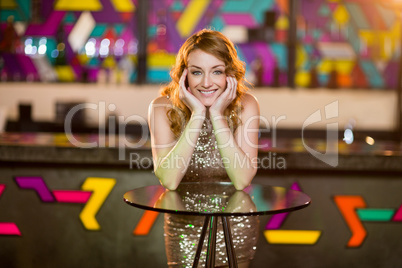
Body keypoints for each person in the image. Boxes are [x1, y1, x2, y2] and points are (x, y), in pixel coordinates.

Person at [148, 29, 260, 268]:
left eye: (216, 71)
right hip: (184, 230)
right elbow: (169, 179)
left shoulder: (246, 105)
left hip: (234, 230)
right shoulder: (161, 108)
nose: (207, 83)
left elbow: (241, 180)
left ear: (230, 74)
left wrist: (217, 115)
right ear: (184, 75)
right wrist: (198, 114)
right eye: (197, 72)